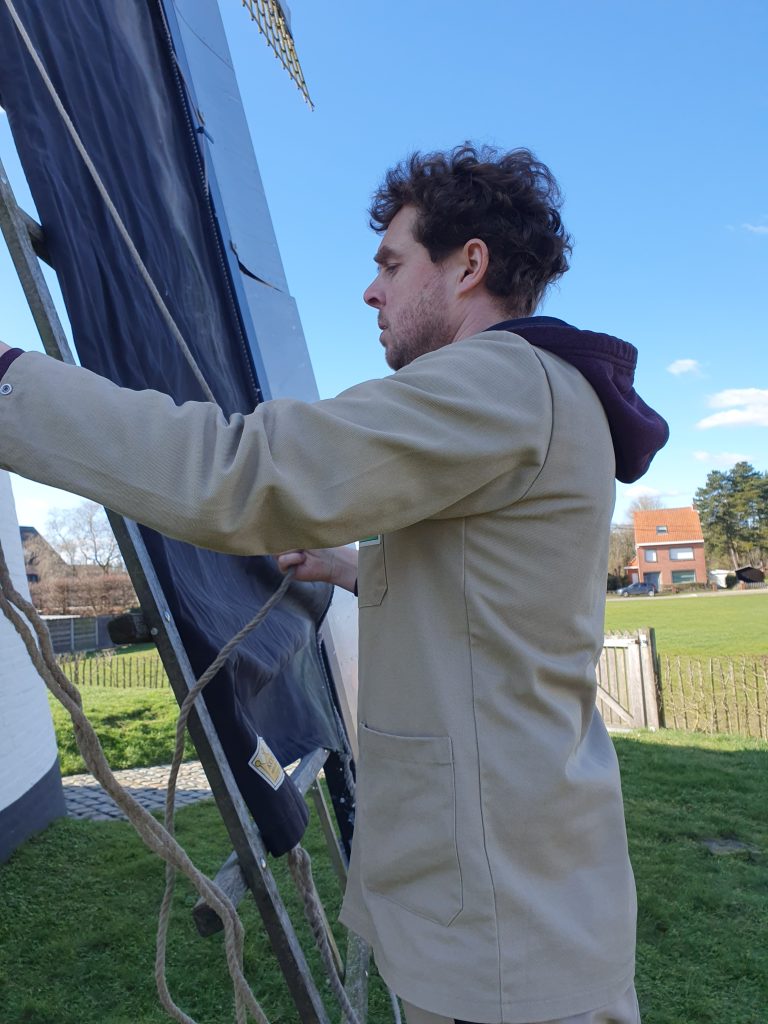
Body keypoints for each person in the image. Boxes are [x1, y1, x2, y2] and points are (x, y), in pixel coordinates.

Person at [0, 144, 667, 1024]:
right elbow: (495, 594)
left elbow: (245, 473)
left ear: (470, 265)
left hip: (500, 933)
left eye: (391, 264)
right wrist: (356, 569)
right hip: (526, 885)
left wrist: (12, 387)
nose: (370, 290)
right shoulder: (540, 394)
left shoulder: (499, 380)